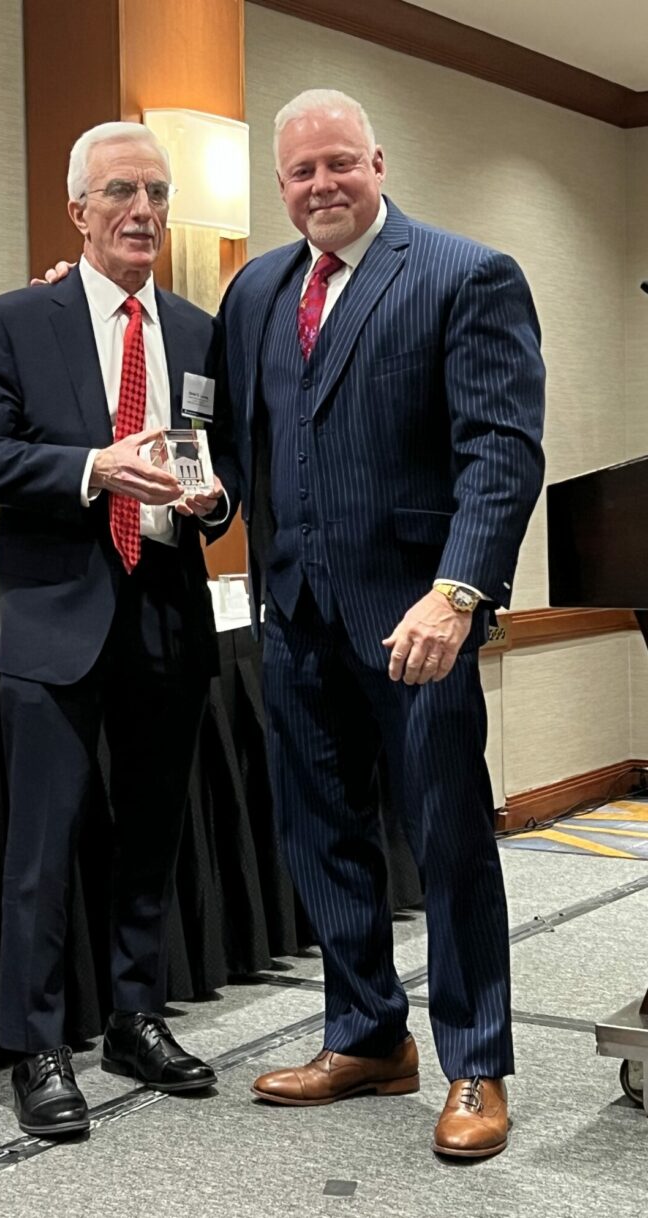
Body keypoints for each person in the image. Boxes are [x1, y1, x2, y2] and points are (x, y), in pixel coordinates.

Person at [219, 89, 545, 1159]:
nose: (321, 184)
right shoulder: (257, 290)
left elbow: (501, 452)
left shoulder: (465, 273)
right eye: (301, 171)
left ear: (378, 161)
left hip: (419, 626)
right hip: (295, 617)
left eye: (339, 163)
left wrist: (459, 593)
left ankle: (477, 1063)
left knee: (450, 842)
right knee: (321, 838)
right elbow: (233, 441)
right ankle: (366, 1037)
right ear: (280, 185)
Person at [0, 121, 238, 1138]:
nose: (143, 210)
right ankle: (36, 1044)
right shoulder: (14, 320)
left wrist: (214, 502)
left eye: (156, 193)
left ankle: (134, 1018)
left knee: (150, 839)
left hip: (167, 612)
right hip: (56, 616)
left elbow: (220, 460)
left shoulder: (198, 331)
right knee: (43, 844)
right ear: (78, 210)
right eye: (120, 192)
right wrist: (92, 468)